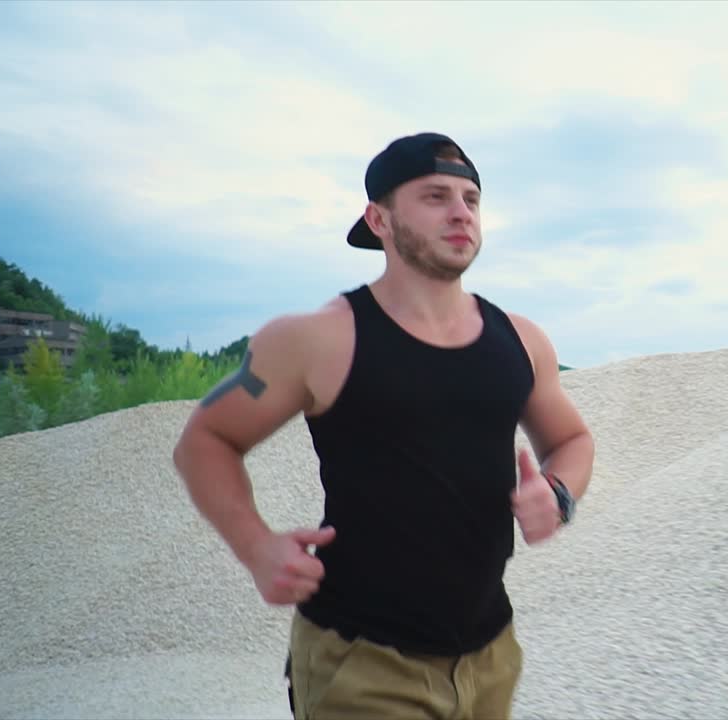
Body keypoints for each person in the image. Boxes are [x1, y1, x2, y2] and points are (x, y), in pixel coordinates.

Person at [172, 132, 595, 720]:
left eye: (471, 200)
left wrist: (558, 493)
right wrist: (255, 546)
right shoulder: (315, 339)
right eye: (435, 196)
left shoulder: (521, 341)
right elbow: (205, 441)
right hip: (362, 663)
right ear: (379, 219)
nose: (460, 213)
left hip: (490, 655)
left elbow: (572, 442)